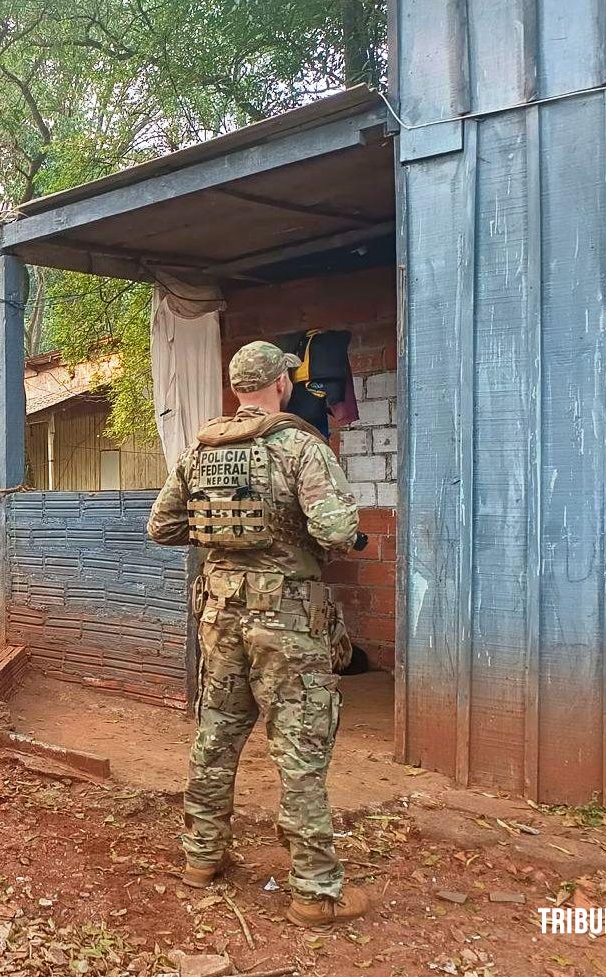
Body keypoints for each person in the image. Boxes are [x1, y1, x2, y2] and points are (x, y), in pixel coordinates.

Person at [146, 340, 368, 927]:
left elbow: (161, 527)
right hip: (288, 621)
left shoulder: (201, 449)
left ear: (236, 388)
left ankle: (201, 857)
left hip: (219, 617)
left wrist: (219, 541)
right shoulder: (299, 446)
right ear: (281, 384)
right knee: (299, 748)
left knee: (216, 736)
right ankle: (316, 891)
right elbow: (338, 530)